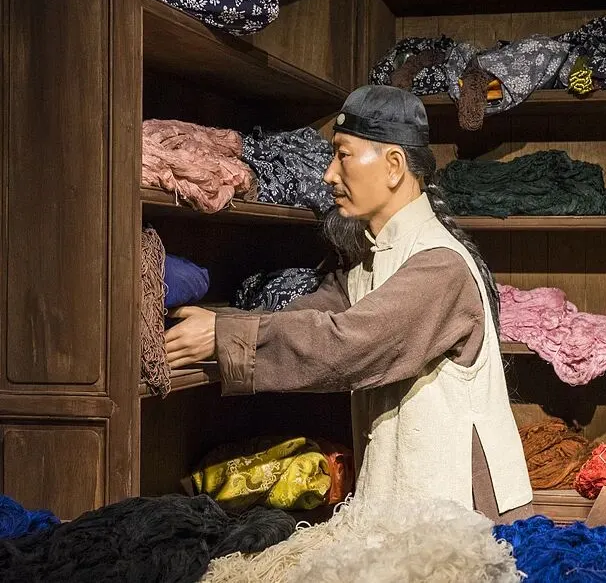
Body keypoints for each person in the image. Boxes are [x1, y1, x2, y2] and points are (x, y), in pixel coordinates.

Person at [163, 85, 534, 522]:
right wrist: (218, 324)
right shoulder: (374, 261)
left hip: (462, 511)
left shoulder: (439, 266)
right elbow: (311, 314)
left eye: (342, 155)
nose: (328, 175)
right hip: (420, 510)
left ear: (393, 166)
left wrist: (225, 336)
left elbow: (347, 343)